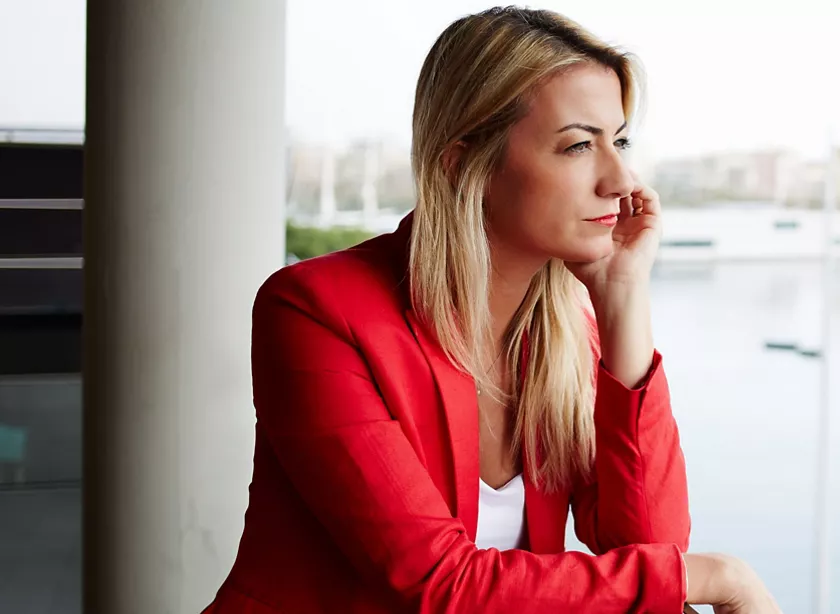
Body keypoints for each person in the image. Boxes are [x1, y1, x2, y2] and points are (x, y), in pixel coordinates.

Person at [204, 7, 780, 613]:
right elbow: (436, 583)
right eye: (579, 145)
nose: (620, 178)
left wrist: (622, 299)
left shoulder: (565, 335)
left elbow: (648, 548)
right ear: (463, 164)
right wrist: (723, 579)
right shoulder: (315, 311)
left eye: (621, 140)